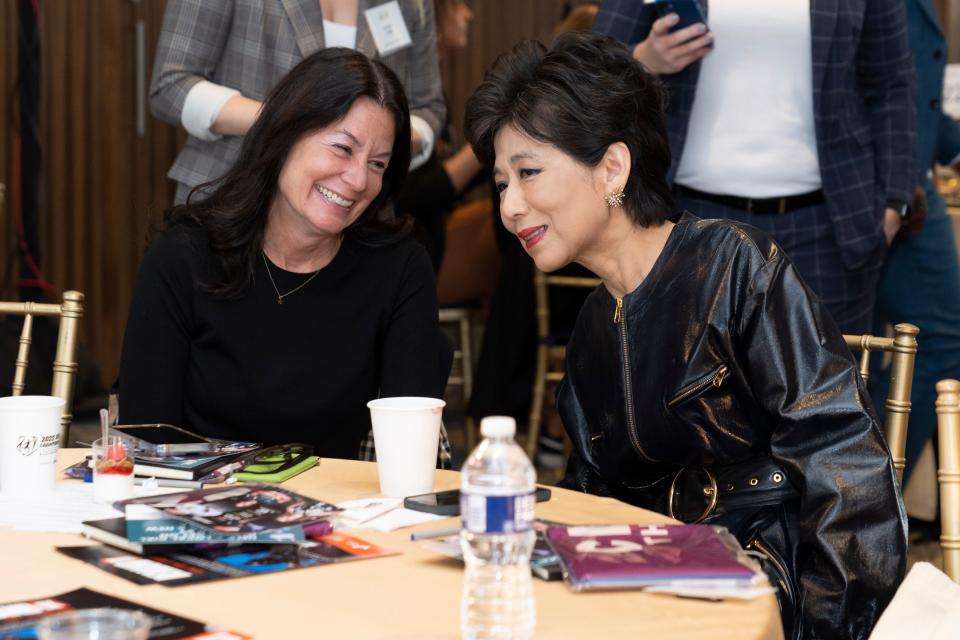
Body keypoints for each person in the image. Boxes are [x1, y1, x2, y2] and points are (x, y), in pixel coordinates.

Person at [464, 32, 906, 640]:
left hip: (763, 588)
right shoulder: (594, 323)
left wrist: (824, 629)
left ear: (612, 167)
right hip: (643, 594)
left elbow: (844, 468)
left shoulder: (736, 268)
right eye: (501, 182)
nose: (511, 205)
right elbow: (588, 495)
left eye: (529, 172)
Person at [120, 48, 450, 460]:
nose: (358, 179)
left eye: (378, 164)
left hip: (341, 515)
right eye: (342, 149)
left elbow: (412, 451)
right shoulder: (183, 258)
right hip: (197, 508)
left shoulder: (399, 268)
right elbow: (145, 440)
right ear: (285, 136)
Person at [594, 0, 917, 335]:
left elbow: (891, 82)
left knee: (829, 381)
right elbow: (593, 68)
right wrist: (645, 60)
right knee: (682, 381)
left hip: (827, 229)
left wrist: (895, 200)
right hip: (683, 220)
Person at [150, 0, 446, 204]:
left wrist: (372, 145)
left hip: (353, 214)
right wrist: (296, 119)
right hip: (231, 192)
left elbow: (427, 110)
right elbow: (171, 86)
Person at [871, 0, 960, 484]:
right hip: (889, 185)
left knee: (865, 349)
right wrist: (897, 175)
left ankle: (867, 503)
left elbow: (920, 97)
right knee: (937, 342)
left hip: (909, 176)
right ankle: (872, 501)